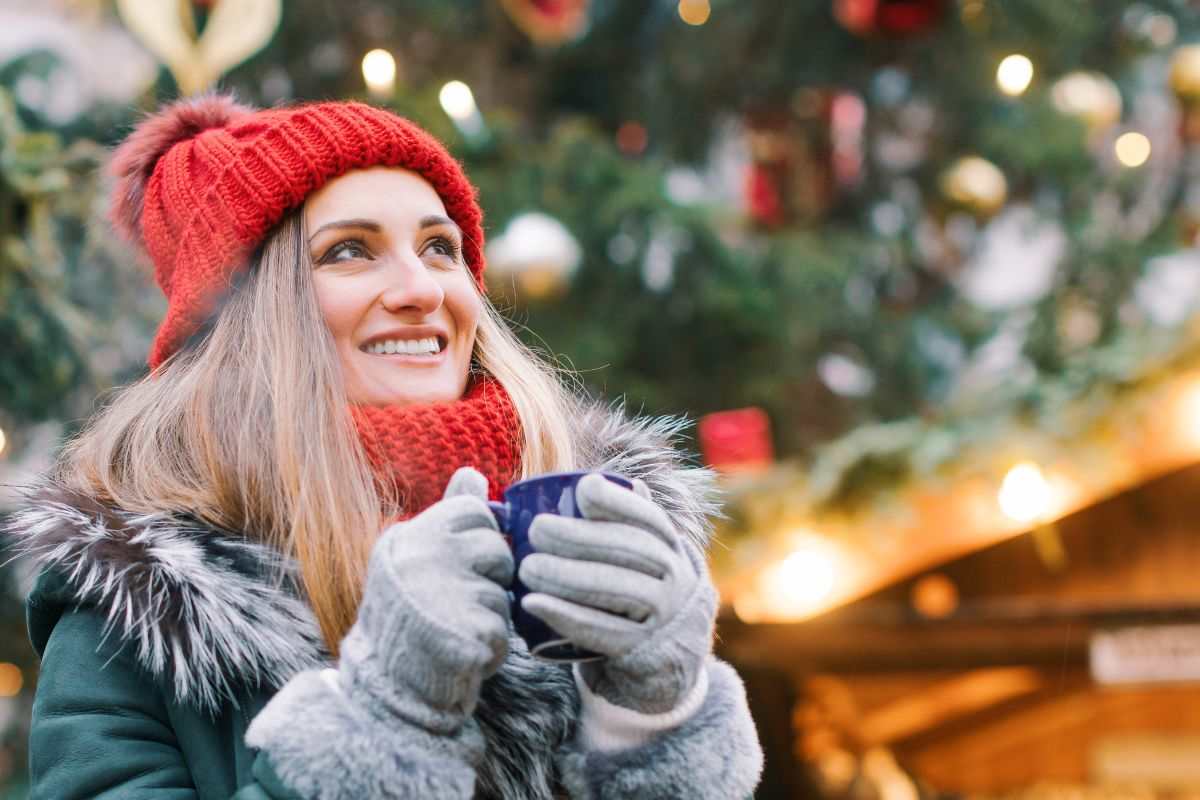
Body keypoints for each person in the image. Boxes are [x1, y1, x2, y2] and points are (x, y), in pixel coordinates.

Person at [4, 94, 763, 799]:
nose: (422, 288)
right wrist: (381, 718)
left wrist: (657, 720)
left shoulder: (585, 525)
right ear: (246, 321)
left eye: (441, 247)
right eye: (349, 252)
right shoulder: (136, 614)